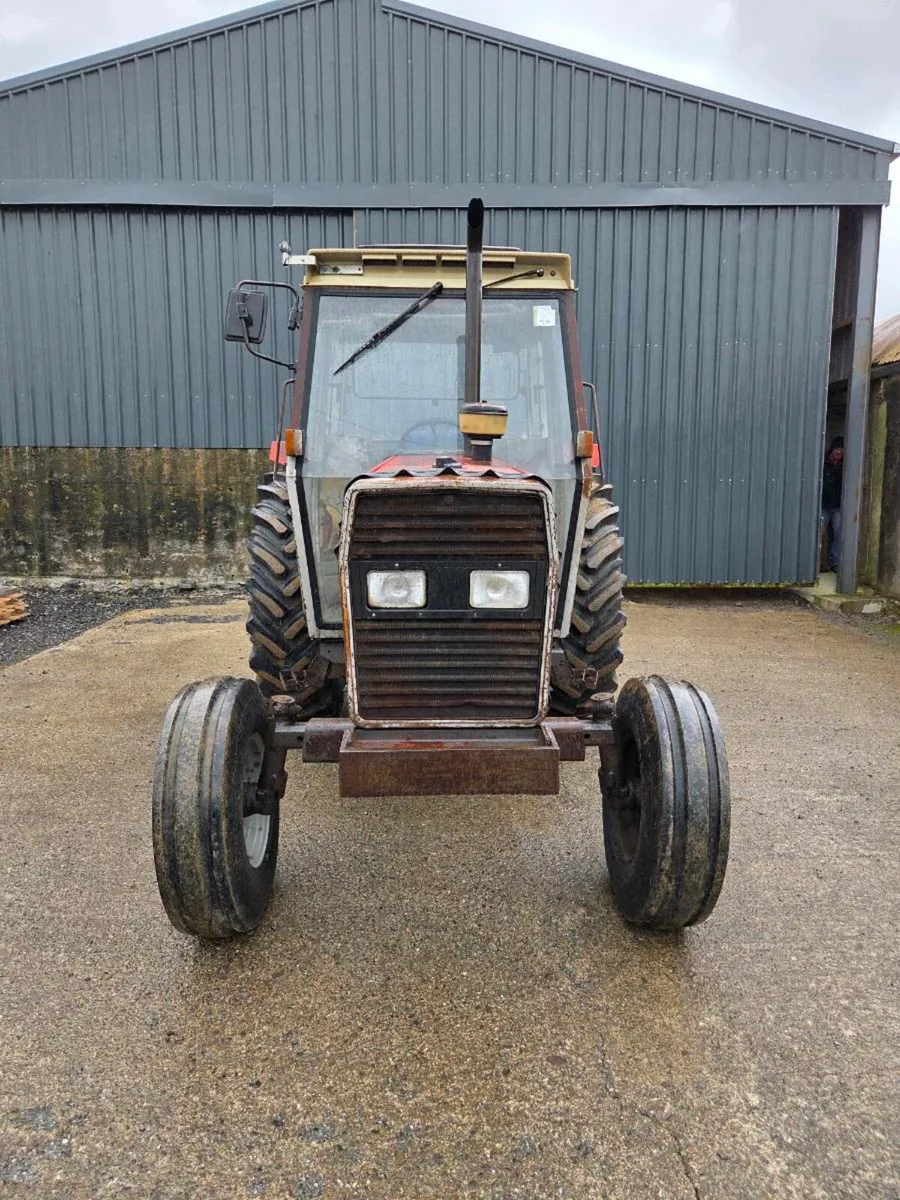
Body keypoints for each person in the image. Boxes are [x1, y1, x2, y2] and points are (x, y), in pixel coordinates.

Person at [821, 436, 844, 571]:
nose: (839, 452)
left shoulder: (844, 466)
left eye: (841, 450)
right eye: (837, 449)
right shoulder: (823, 463)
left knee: (839, 532)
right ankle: (816, 564)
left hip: (837, 506)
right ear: (832, 449)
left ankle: (834, 562)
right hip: (823, 505)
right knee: (819, 534)